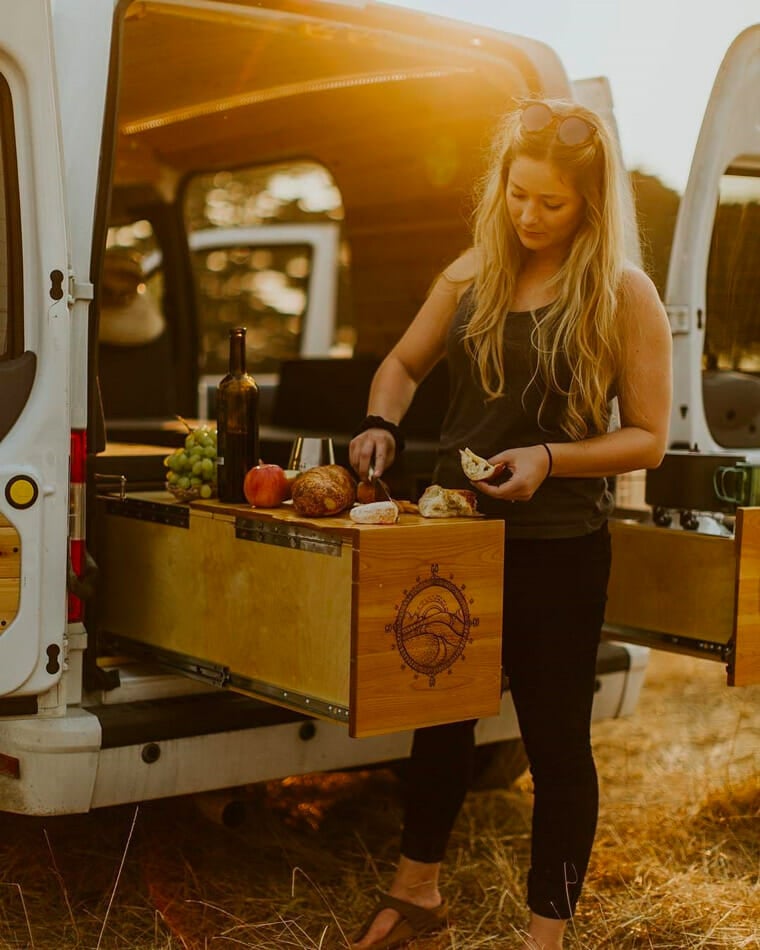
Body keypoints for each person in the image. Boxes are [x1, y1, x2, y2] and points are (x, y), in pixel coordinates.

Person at [348, 98, 672, 950]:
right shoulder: (469, 274)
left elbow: (650, 437)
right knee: (441, 721)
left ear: (592, 205)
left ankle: (546, 935)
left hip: (559, 550)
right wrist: (382, 421)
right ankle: (416, 894)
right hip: (453, 538)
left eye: (551, 203)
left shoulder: (623, 294)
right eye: (518, 195)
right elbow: (402, 364)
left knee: (557, 745)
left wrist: (551, 458)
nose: (529, 216)